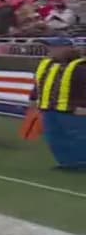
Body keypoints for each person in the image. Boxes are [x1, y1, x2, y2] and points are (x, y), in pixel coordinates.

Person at [30, 36, 86, 170]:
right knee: (54, 138)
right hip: (49, 109)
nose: (50, 50)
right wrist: (33, 98)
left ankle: (81, 163)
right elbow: (39, 83)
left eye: (54, 47)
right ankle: (65, 162)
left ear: (67, 48)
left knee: (77, 138)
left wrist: (84, 106)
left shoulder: (81, 66)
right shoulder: (47, 64)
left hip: (72, 110)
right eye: (49, 47)